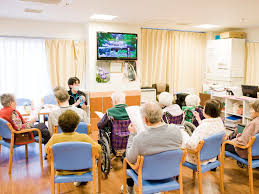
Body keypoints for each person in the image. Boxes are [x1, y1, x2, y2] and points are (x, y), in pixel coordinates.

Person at [122, 102, 182, 194]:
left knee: (125, 158)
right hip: (170, 171)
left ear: (145, 120)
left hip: (148, 174)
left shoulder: (140, 138)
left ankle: (129, 190)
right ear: (161, 114)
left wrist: (132, 134)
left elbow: (129, 158)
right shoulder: (176, 130)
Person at [45, 110, 101, 187]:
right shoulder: (84, 137)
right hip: (84, 169)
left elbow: (47, 150)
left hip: (62, 170)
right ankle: (80, 179)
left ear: (60, 126)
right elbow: (98, 149)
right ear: (76, 126)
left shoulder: (55, 138)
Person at [181, 99, 225, 165]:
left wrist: (183, 134)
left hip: (198, 159)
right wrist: (198, 119)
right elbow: (209, 130)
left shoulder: (203, 127)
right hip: (212, 156)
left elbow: (191, 145)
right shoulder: (219, 122)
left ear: (208, 111)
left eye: (204, 108)